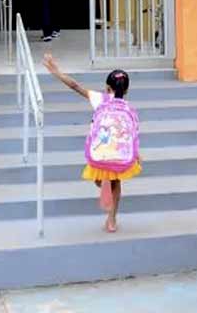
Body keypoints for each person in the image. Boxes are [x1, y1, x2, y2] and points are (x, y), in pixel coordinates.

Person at [43, 54, 139, 233]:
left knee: (101, 179)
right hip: (119, 154)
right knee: (116, 182)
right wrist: (137, 153)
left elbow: (75, 86)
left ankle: (107, 199)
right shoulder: (128, 107)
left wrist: (57, 72)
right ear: (126, 90)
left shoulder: (100, 99)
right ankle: (112, 219)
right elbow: (131, 132)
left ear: (107, 88)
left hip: (101, 152)